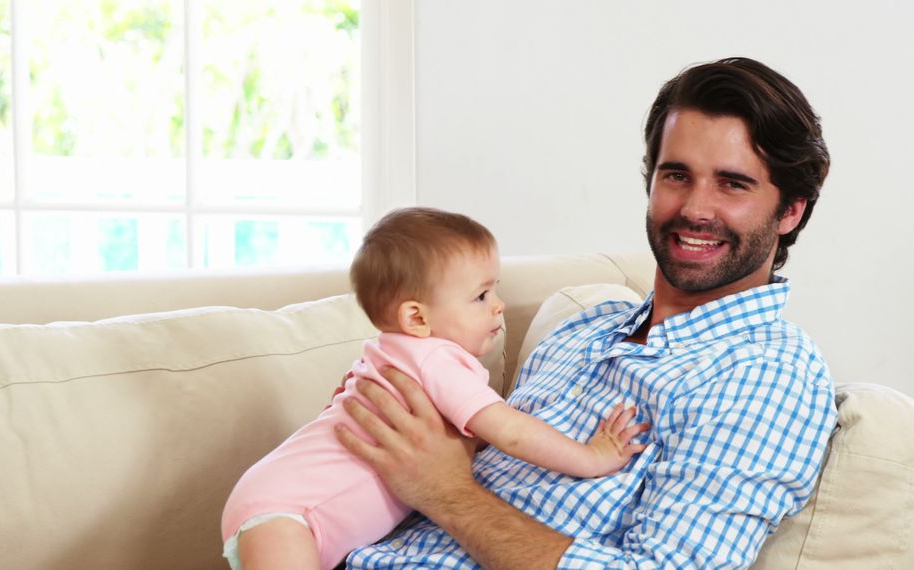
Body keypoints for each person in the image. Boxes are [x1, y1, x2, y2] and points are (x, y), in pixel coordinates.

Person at [335, 57, 839, 569]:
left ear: (791, 209)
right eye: (677, 175)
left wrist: (448, 493)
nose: (695, 208)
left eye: (732, 183)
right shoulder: (581, 327)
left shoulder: (768, 372)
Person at [220, 207, 649, 570]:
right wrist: (591, 457)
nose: (498, 304)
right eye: (480, 296)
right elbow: (510, 431)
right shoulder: (433, 359)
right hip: (286, 511)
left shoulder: (401, 356)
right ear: (417, 319)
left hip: (280, 506)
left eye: (494, 288)